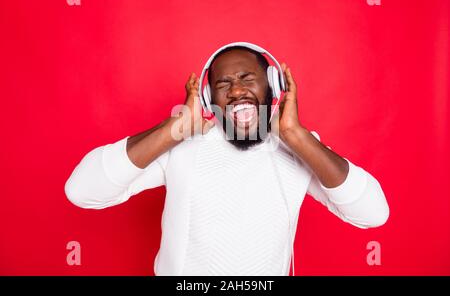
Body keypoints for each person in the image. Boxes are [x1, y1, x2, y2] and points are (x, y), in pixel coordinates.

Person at [65, 43, 389, 276]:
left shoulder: (302, 148)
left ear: (274, 87)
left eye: (248, 79)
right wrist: (175, 129)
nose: (236, 92)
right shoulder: (183, 146)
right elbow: (81, 191)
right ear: (209, 98)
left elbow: (373, 213)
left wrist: (296, 136)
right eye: (223, 84)